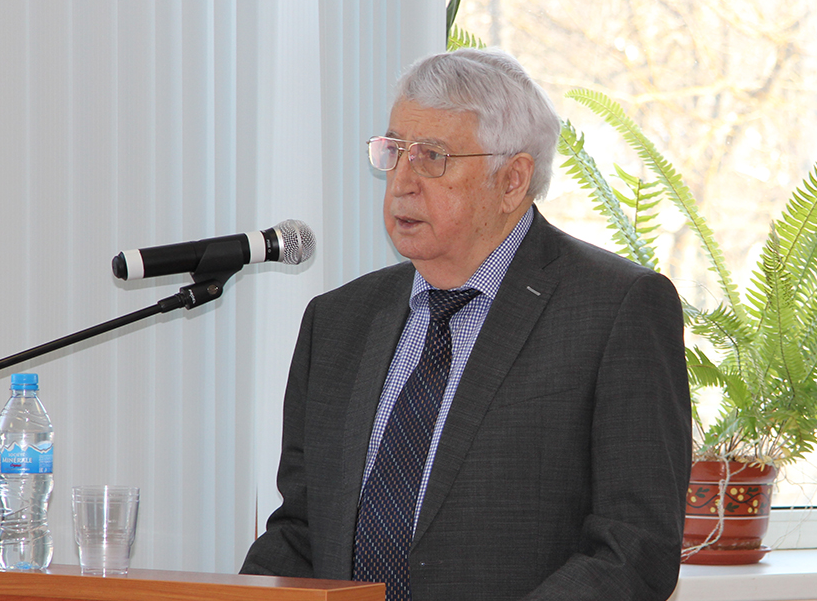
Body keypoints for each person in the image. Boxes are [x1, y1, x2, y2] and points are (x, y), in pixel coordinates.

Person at [240, 48, 692, 600]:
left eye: (431, 157)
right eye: (394, 152)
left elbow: (635, 548)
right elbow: (301, 533)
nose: (402, 182)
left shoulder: (615, 308)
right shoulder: (337, 323)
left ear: (512, 180)